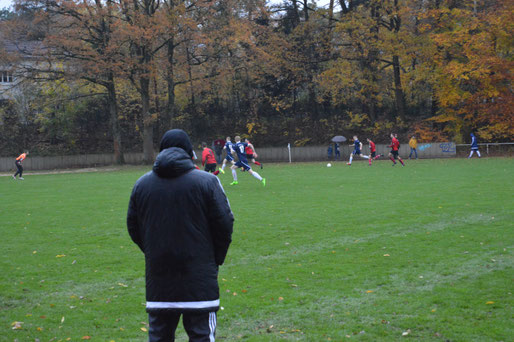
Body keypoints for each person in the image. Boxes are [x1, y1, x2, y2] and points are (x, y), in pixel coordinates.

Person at [127, 129, 234, 342]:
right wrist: (214, 259)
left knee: (159, 337)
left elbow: (134, 228)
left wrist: (154, 251)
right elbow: (225, 224)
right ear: (188, 151)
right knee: (202, 336)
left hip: (160, 280)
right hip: (199, 281)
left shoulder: (141, 185)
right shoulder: (208, 182)